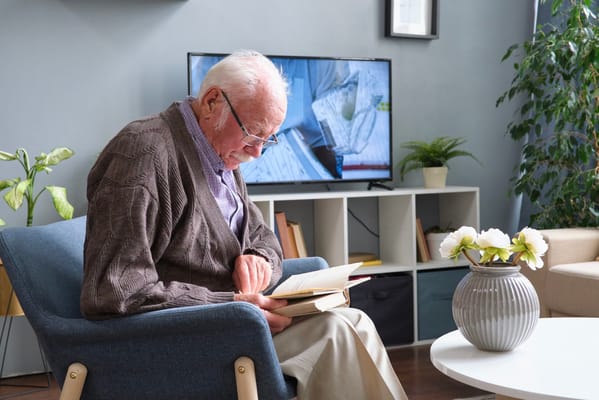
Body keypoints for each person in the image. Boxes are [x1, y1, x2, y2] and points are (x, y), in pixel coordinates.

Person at [81, 50, 408, 400]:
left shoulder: (219, 155)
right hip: (183, 340)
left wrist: (260, 259)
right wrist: (232, 304)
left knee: (354, 322)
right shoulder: (143, 154)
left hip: (232, 324)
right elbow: (114, 289)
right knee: (337, 335)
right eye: (254, 134)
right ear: (211, 102)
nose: (256, 153)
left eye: (268, 139)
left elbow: (262, 235)